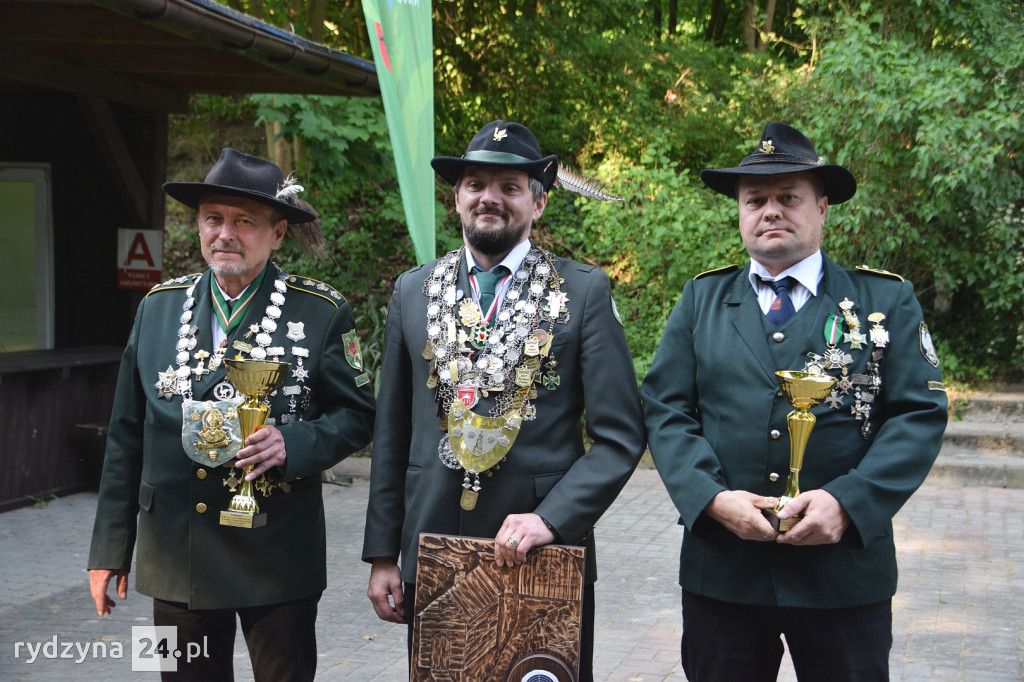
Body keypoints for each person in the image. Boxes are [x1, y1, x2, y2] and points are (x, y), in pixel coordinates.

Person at [641, 122, 948, 681]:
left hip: (843, 575)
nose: (771, 211)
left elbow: (918, 415)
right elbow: (665, 409)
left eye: (789, 197)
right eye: (755, 200)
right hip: (725, 574)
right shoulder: (703, 299)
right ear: (740, 212)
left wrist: (849, 503)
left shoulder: (883, 300)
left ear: (822, 208)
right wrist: (710, 499)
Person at [362, 120, 645, 681]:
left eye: (509, 187)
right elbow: (391, 432)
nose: (489, 197)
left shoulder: (582, 291)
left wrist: (552, 519)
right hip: (434, 545)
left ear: (538, 203)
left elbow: (621, 436)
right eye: (475, 184)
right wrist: (383, 555)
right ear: (457, 198)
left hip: (542, 554)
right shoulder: (413, 290)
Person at [88, 148, 376, 680]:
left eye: (244, 222)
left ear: (278, 233)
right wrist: (109, 549)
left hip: (277, 557)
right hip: (174, 556)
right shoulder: (157, 307)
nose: (225, 234)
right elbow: (125, 435)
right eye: (213, 219)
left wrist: (294, 442)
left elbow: (357, 415)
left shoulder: (321, 311)